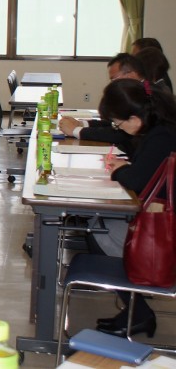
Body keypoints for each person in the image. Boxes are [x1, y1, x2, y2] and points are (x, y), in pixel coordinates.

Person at [89, 78, 176, 338]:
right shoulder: (160, 127)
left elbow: (136, 181)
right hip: (162, 220)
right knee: (98, 225)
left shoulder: (161, 137)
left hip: (164, 233)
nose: (118, 128)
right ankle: (136, 309)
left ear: (135, 118)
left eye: (118, 123)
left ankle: (138, 312)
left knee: (99, 229)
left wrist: (120, 171)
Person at [59, 53, 143, 151]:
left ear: (131, 75)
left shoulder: (145, 97)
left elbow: (122, 134)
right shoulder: (136, 91)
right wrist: (81, 124)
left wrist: (76, 131)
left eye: (114, 79)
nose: (112, 84)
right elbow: (113, 123)